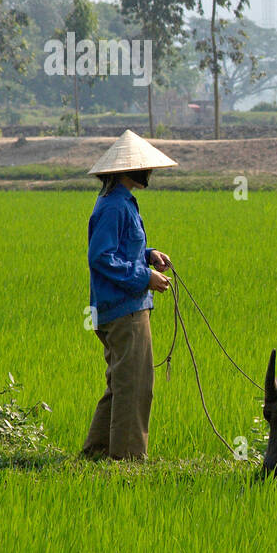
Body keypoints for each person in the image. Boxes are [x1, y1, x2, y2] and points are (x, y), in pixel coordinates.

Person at [81, 130, 177, 460]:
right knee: (135, 387)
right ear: (126, 170)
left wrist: (148, 254)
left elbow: (120, 248)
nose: (149, 173)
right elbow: (101, 257)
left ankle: (96, 453)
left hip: (120, 307)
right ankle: (127, 461)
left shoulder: (121, 202)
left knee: (120, 383)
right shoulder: (114, 206)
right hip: (125, 310)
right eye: (144, 167)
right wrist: (144, 277)